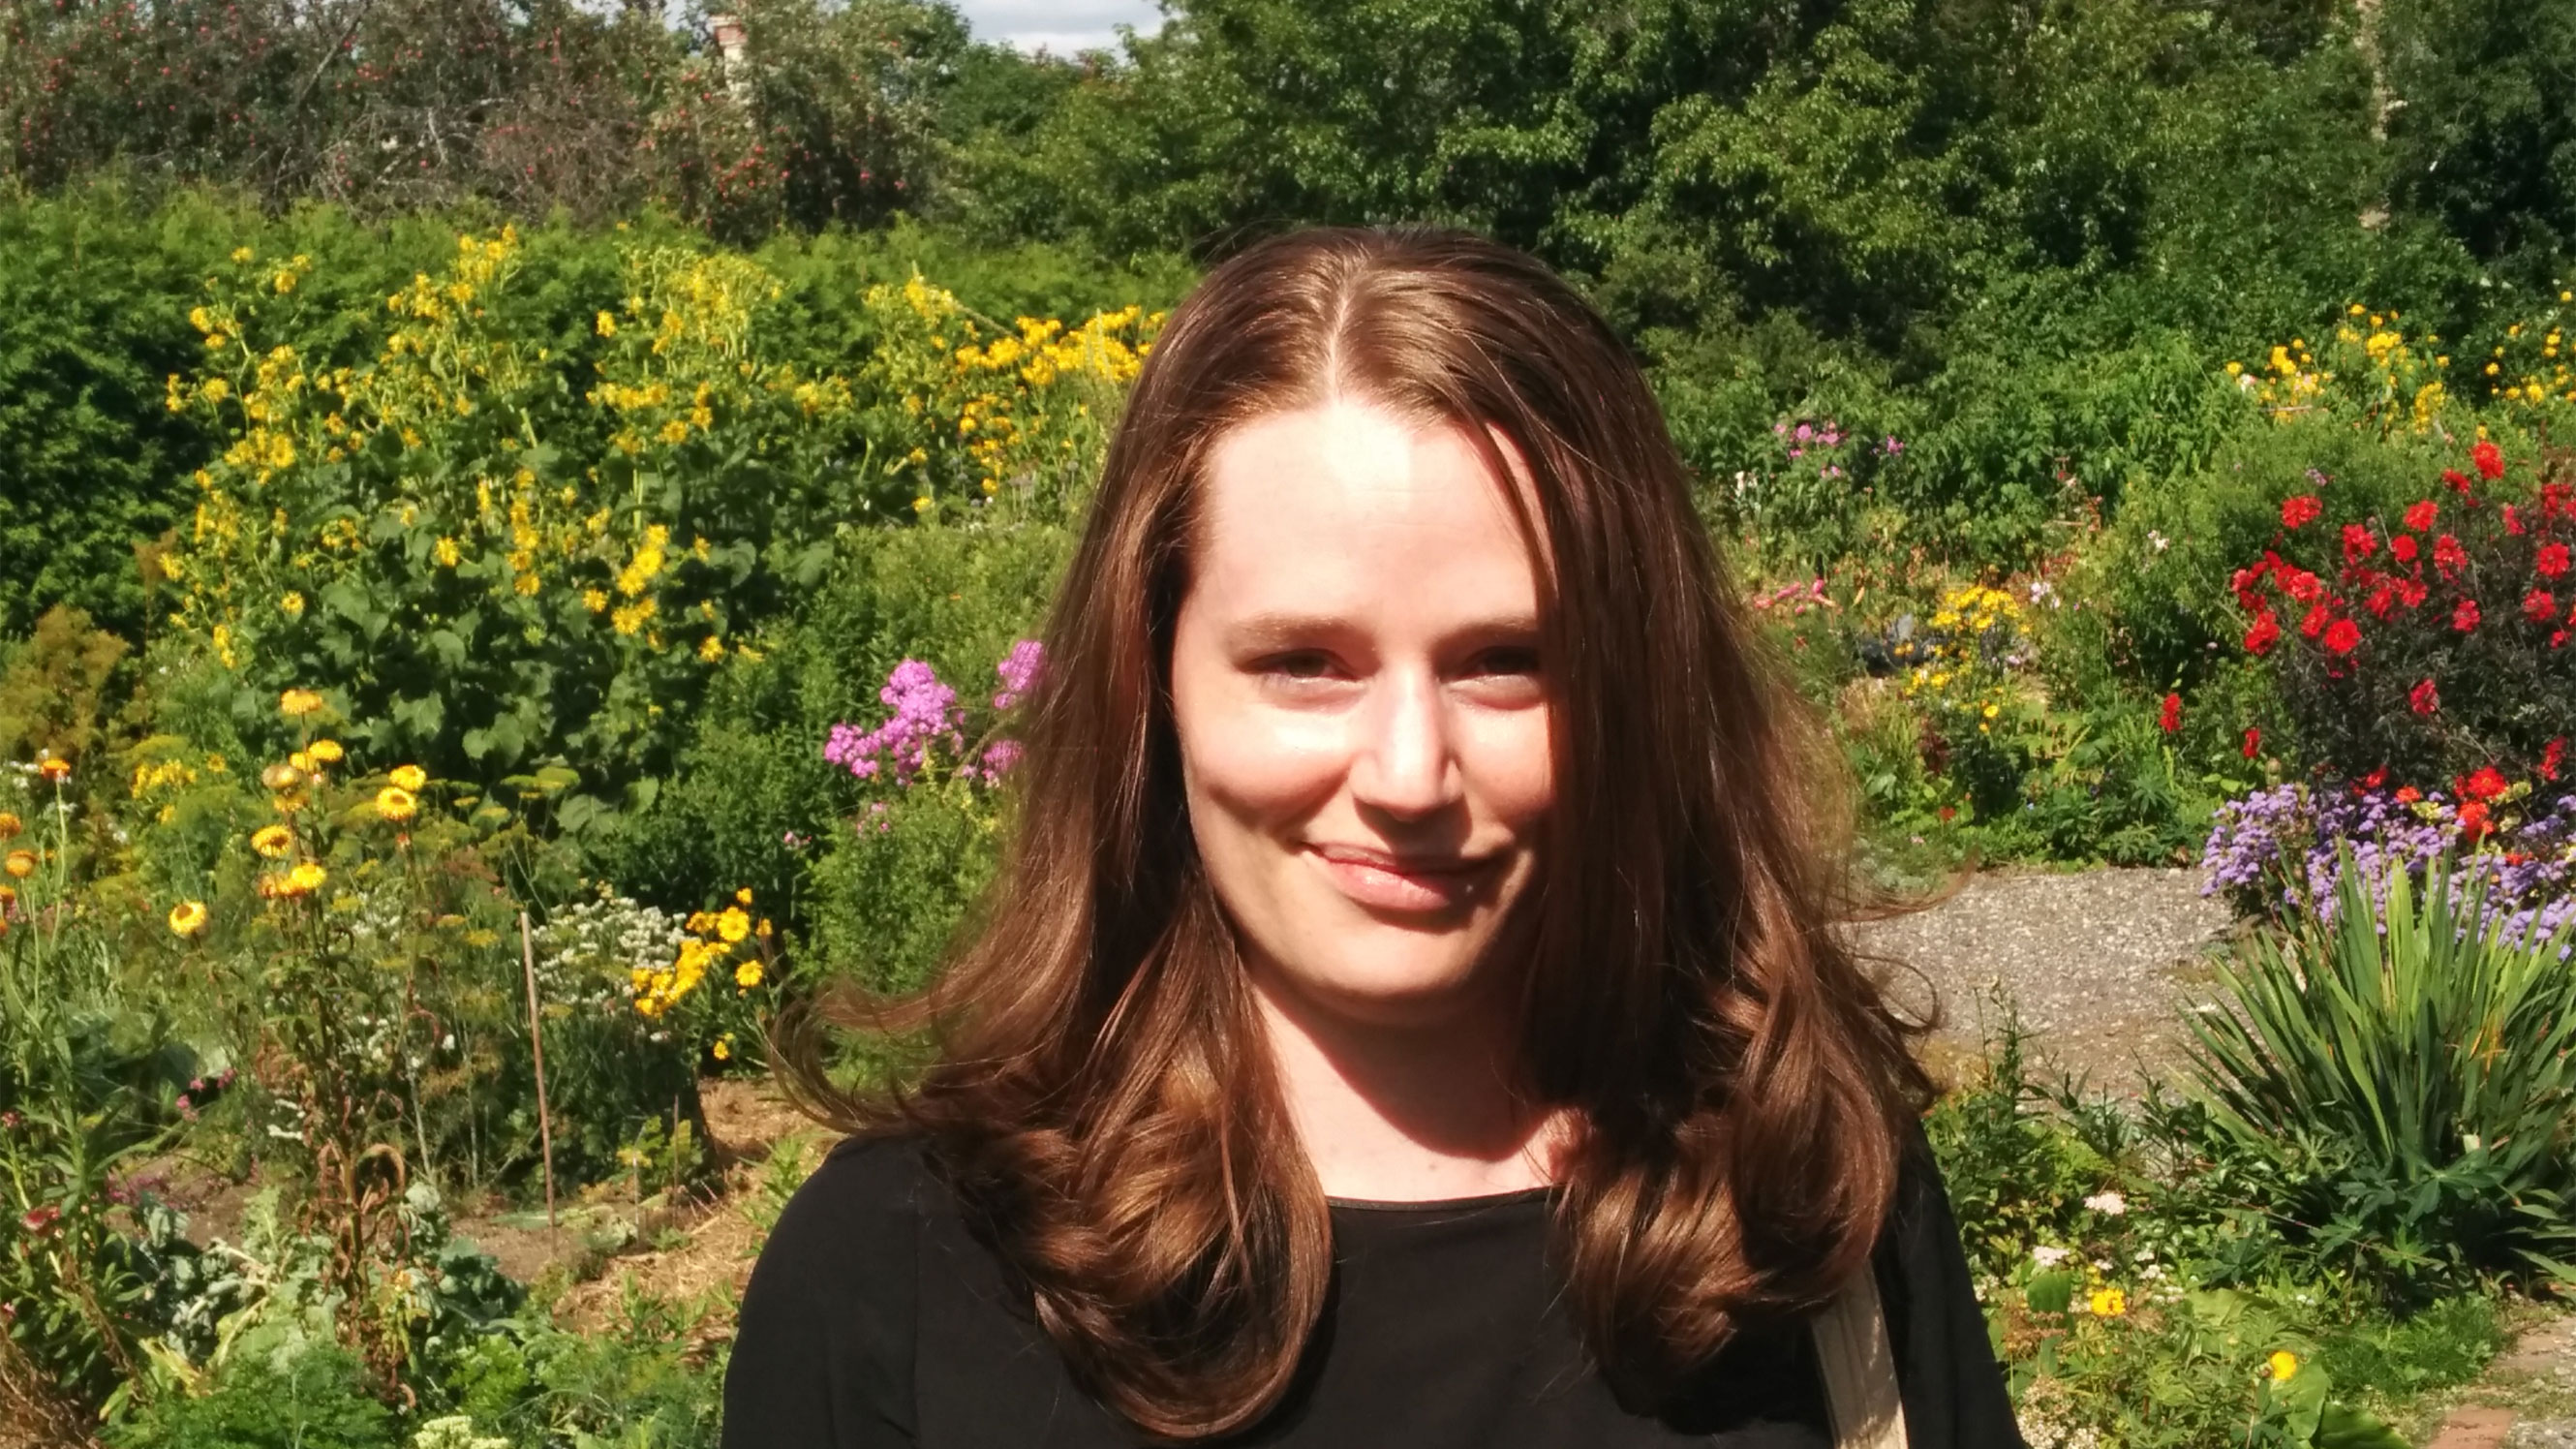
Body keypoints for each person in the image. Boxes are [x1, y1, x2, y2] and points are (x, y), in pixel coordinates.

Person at [723, 228, 2023, 1448]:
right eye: (1304, 663)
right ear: (1151, 687)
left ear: (1643, 692)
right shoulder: (903, 1279)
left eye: (1508, 661)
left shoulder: (1807, 1216)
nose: (1410, 775)